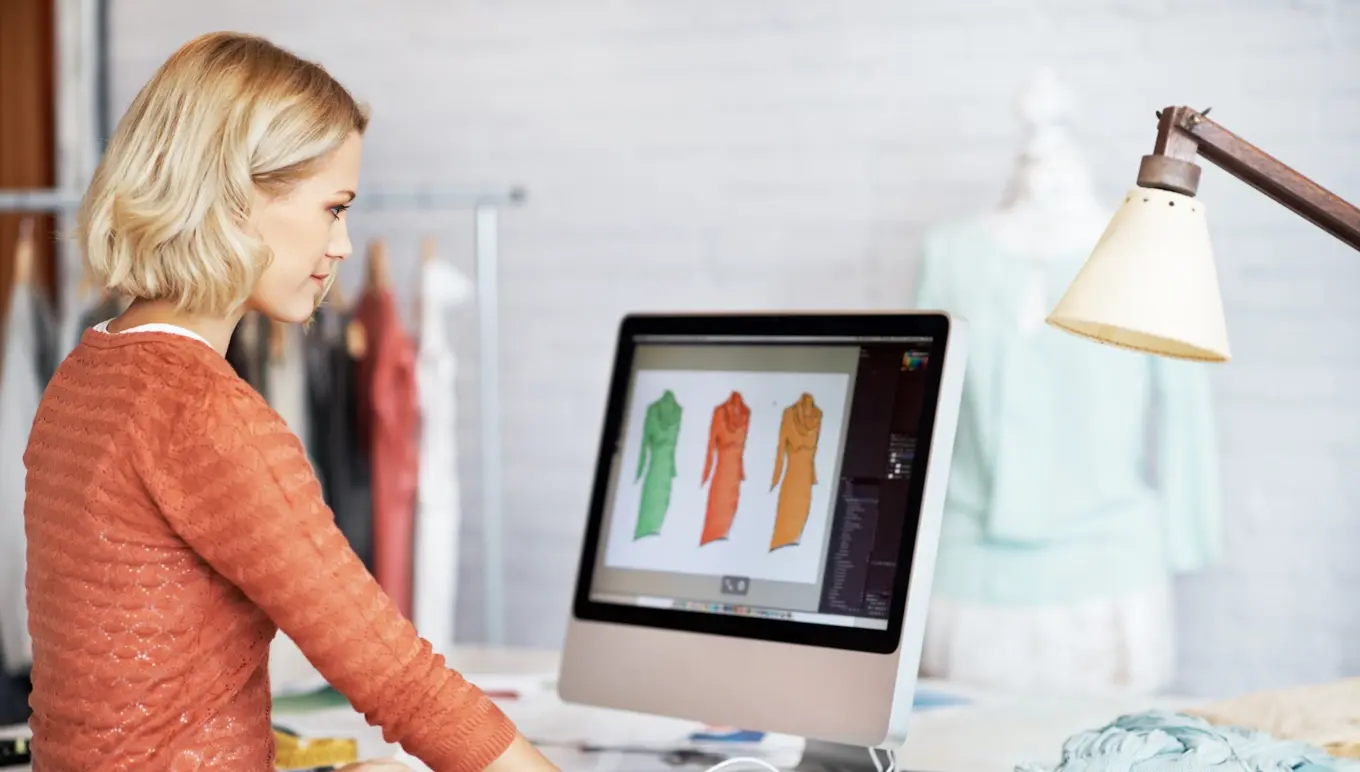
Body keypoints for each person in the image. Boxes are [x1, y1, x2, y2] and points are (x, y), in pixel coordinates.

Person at [22, 31, 559, 772]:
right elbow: (399, 681)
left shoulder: (84, 377)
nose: (342, 245)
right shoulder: (207, 415)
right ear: (237, 199)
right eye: (334, 208)